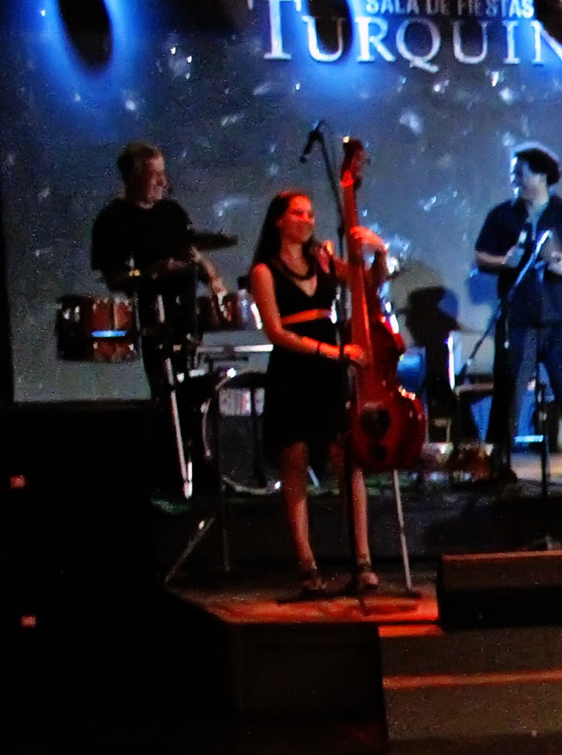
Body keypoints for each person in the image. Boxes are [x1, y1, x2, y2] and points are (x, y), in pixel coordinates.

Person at [246, 189, 386, 597]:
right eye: (298, 213)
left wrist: (377, 253)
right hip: (294, 367)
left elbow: (365, 285)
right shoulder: (264, 271)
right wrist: (332, 351)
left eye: (310, 213)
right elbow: (275, 331)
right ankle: (306, 564)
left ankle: (362, 560)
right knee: (295, 459)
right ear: (279, 220)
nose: (308, 220)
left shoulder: (323, 259)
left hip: (329, 369)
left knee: (348, 458)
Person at [471, 144, 562, 476]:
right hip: (518, 318)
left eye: (520, 171)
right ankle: (499, 462)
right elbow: (480, 256)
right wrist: (503, 261)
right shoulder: (502, 215)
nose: (514, 177)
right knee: (509, 391)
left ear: (540, 175)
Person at [91, 141, 228, 400]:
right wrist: (151, 272)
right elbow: (114, 278)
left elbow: (194, 251)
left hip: (186, 313)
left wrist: (213, 278)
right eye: (155, 175)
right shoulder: (112, 220)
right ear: (134, 176)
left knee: (197, 389)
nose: (163, 182)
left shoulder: (171, 212)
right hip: (152, 316)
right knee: (167, 392)